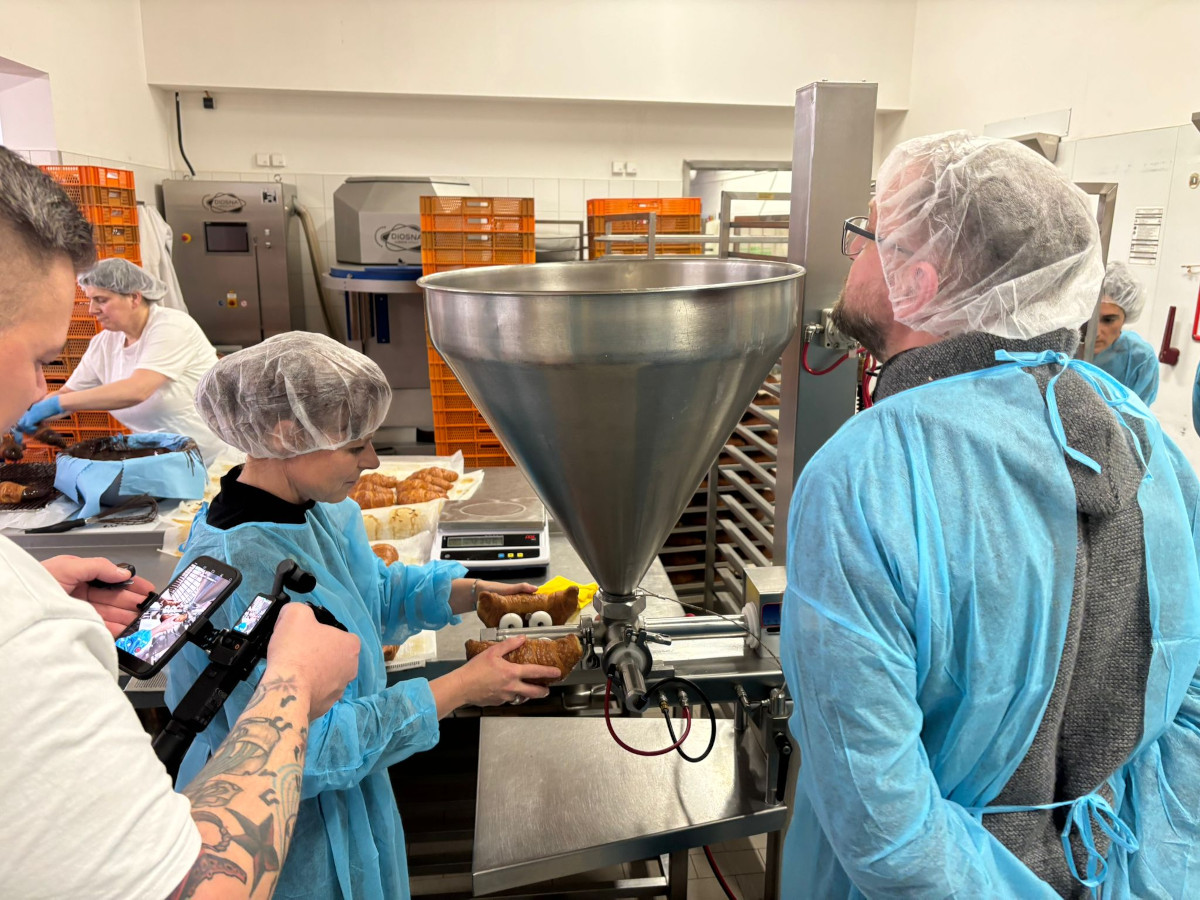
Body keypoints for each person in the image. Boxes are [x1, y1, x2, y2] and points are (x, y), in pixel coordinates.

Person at [782, 132, 1200, 898]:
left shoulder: (865, 473)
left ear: (917, 278)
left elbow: (884, 826)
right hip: (1120, 870)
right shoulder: (1147, 440)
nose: (850, 255)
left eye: (867, 233)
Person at [0, 144, 361, 899]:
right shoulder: (21, 642)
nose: (40, 388)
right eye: (39, 360)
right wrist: (292, 686)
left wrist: (33, 588)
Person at [165, 331, 561, 900]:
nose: (373, 462)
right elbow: (311, 748)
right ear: (286, 434)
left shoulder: (310, 512)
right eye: (356, 448)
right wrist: (460, 688)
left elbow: (369, 594)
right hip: (280, 842)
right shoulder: (237, 565)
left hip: (349, 804)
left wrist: (473, 592)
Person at [15, 257, 228, 464]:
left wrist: (56, 404)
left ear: (134, 297)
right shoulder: (104, 343)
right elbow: (68, 395)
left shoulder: (172, 327)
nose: (92, 310)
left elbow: (137, 390)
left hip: (211, 459)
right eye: (91, 300)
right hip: (163, 459)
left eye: (101, 300)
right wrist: (20, 418)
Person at [1091, 259, 1158, 405]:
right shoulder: (1064, 346)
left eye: (1108, 320)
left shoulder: (1140, 359)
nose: (1095, 333)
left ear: (1125, 318)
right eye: (1090, 319)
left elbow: (1135, 418)